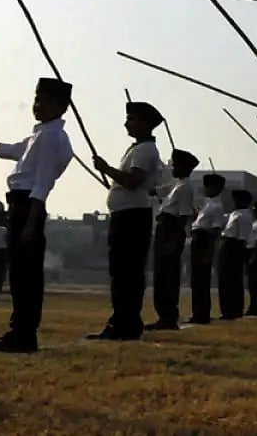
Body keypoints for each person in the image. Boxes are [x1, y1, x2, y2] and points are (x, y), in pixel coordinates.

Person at [0, 78, 74, 353]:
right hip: (21, 206)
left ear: (62, 107)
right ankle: (20, 330)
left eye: (47, 101)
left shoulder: (51, 137)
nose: (39, 105)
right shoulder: (38, 135)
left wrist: (30, 223)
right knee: (20, 273)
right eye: (37, 99)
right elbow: (5, 150)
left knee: (25, 274)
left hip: (29, 206)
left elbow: (42, 184)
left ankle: (23, 332)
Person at [89, 102, 164, 341]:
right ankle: (123, 321)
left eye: (131, 119)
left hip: (132, 217)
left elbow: (132, 181)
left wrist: (106, 168)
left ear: (145, 123)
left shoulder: (144, 150)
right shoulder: (138, 148)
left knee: (126, 273)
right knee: (123, 272)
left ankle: (125, 323)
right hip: (127, 214)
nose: (126, 123)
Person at [147, 149, 199, 331]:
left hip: (171, 231)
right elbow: (156, 191)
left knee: (167, 276)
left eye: (175, 165)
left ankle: (168, 315)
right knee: (161, 275)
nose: (172, 168)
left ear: (183, 167)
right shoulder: (177, 185)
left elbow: (183, 217)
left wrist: (173, 241)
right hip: (165, 229)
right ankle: (164, 315)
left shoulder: (185, 188)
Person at [187, 173, 227, 324]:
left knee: (201, 280)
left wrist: (209, 252)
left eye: (208, 186)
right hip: (198, 239)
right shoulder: (207, 204)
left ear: (215, 188)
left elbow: (215, 231)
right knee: (196, 280)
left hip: (204, 241)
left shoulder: (216, 206)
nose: (205, 189)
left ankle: (201, 314)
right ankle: (198, 312)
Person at [218, 190, 255, 320]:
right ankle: (227, 309)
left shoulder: (244, 216)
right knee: (225, 280)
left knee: (232, 280)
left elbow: (242, 237)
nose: (234, 202)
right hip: (227, 244)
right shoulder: (235, 213)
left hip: (235, 246)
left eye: (237, 199)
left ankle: (233, 310)